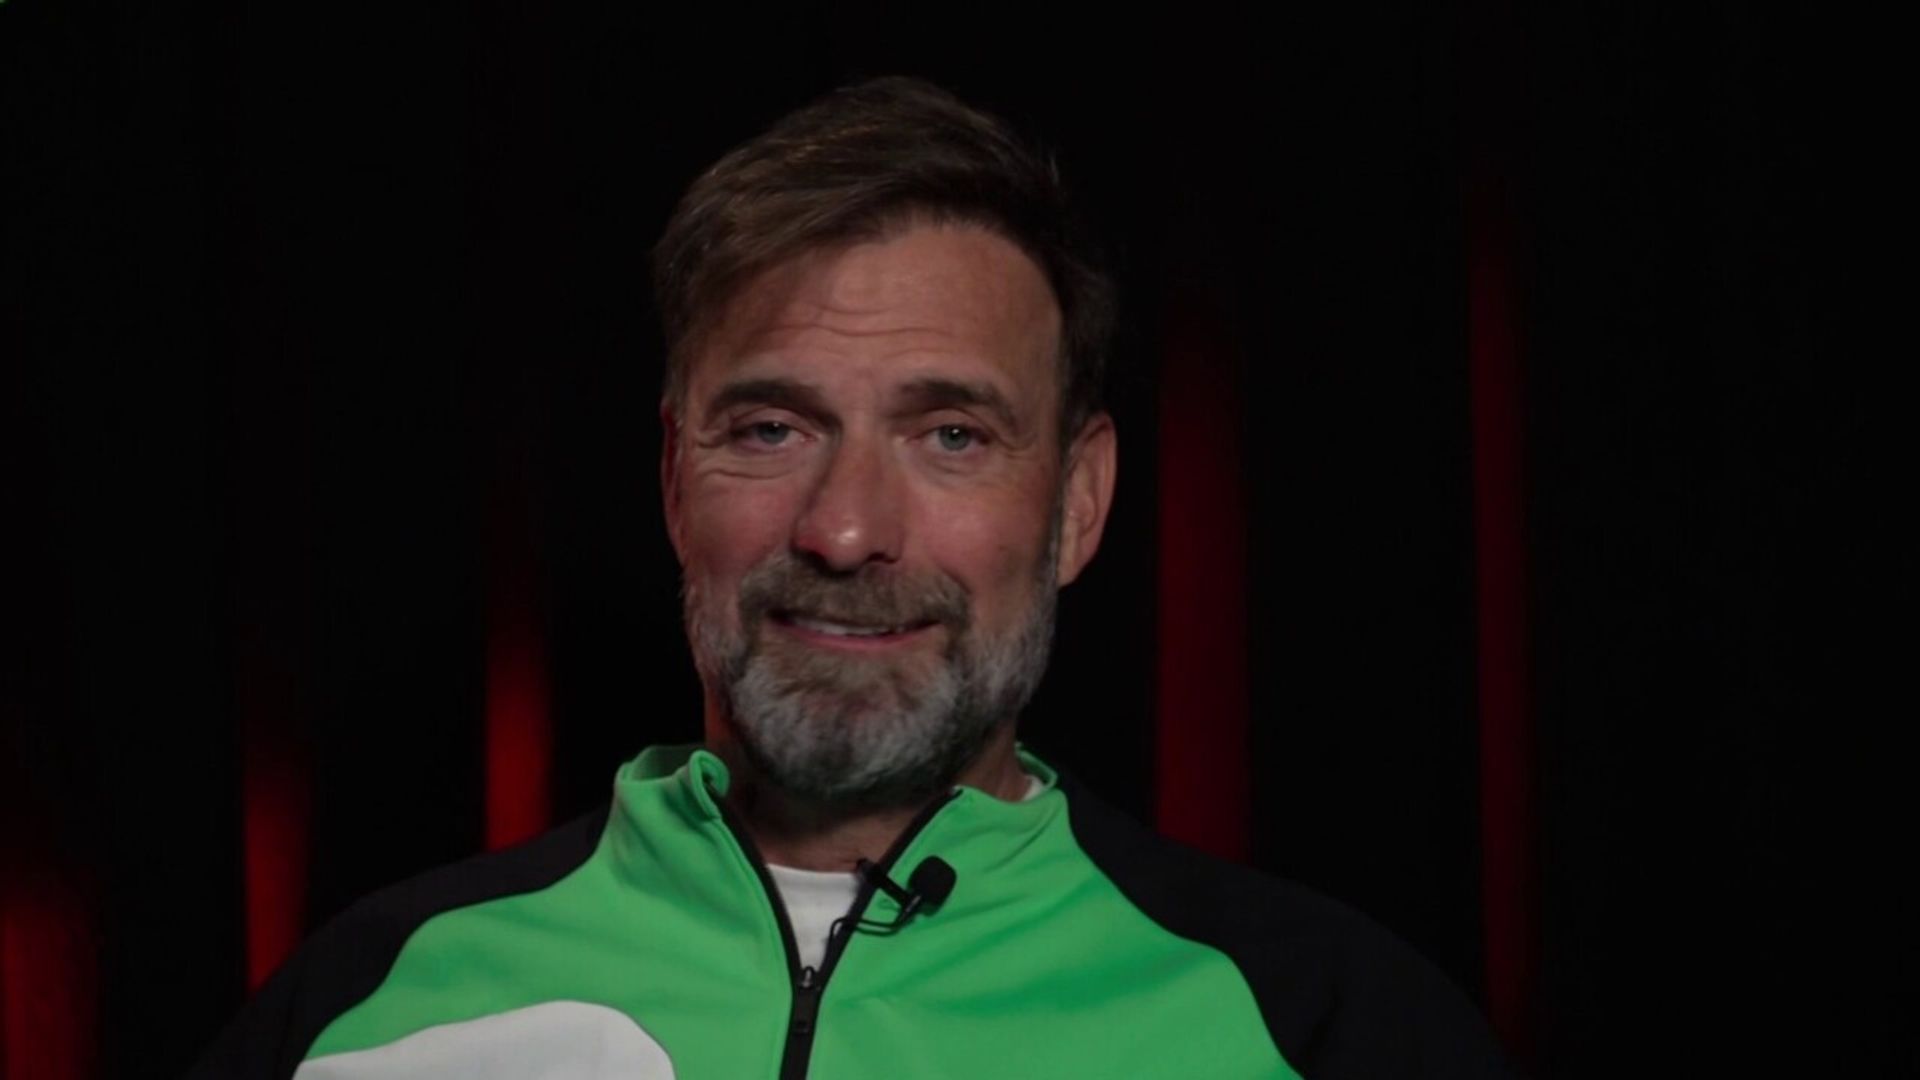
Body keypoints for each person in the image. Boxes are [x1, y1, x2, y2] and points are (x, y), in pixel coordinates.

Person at [191, 77, 1513, 1079]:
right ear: (675, 481)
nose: (844, 531)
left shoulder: (1328, 1027)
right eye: (772, 429)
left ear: (1078, 501)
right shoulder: (371, 1008)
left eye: (952, 436)